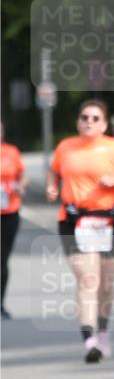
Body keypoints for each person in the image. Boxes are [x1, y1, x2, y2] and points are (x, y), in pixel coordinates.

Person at [46, 99, 114, 363]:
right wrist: (52, 187)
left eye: (95, 118)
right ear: (78, 121)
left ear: (104, 124)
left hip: (109, 221)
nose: (89, 122)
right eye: (84, 117)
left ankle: (102, 330)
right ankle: (88, 339)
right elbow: (53, 171)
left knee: (106, 283)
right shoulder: (65, 147)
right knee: (88, 278)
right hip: (74, 220)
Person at [1, 122, 28, 320]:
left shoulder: (11, 152)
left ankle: (0, 303)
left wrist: (21, 186)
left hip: (9, 212)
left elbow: (22, 175)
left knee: (2, 260)